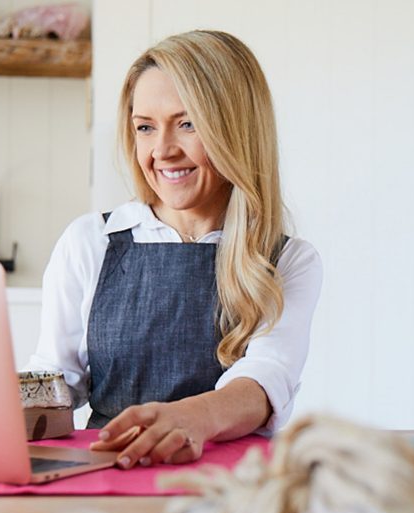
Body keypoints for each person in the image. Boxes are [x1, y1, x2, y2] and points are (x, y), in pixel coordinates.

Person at [27, 30, 322, 469]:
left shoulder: (286, 261)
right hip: (111, 474)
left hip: (232, 485)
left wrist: (193, 418)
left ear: (236, 130)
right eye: (145, 127)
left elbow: (266, 380)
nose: (162, 151)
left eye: (187, 124)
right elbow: (57, 383)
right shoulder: (90, 242)